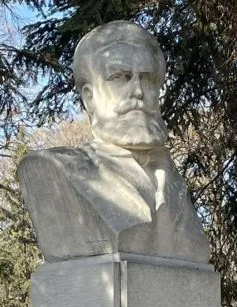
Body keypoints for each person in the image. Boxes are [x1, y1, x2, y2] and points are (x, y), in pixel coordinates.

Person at [17, 19, 210, 263]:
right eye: (120, 77)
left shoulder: (172, 180)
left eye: (147, 79)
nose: (138, 91)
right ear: (89, 98)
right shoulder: (52, 170)